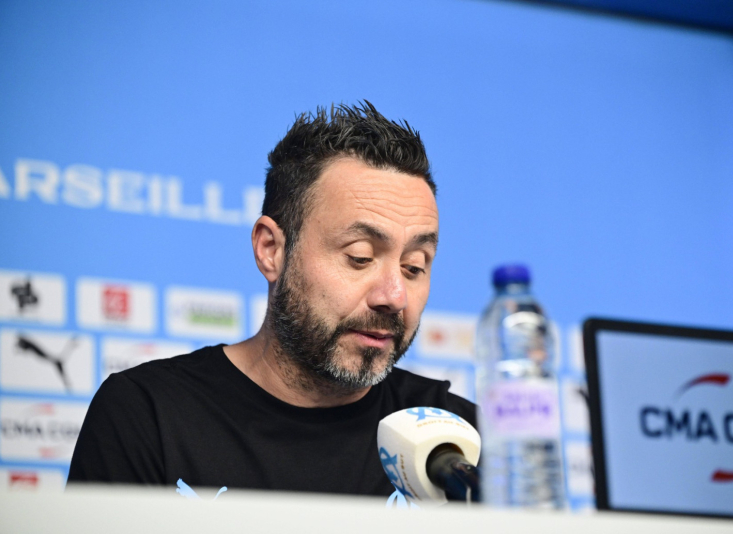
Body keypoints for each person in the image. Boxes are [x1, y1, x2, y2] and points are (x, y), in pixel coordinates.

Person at [67, 102, 477, 497]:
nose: (394, 296)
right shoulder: (148, 415)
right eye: (360, 257)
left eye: (414, 266)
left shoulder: (462, 444)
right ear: (271, 250)